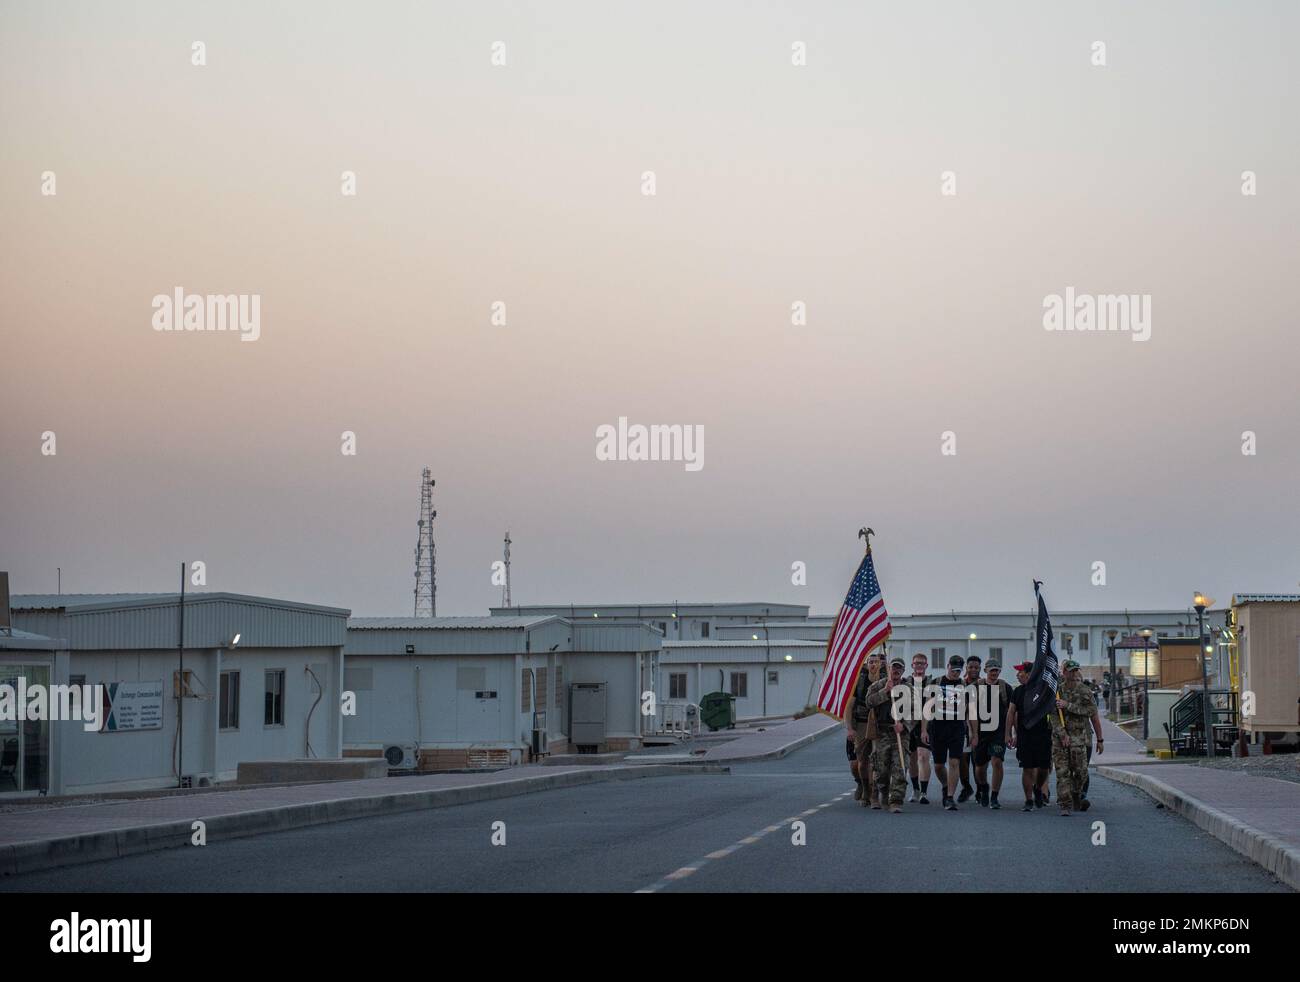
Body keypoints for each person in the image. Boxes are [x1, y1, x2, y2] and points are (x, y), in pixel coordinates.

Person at [921, 654, 978, 810]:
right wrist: (923, 730)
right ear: (948, 667)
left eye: (959, 671)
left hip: (957, 728)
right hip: (938, 728)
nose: (956, 673)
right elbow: (926, 708)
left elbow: (971, 711)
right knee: (939, 765)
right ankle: (946, 785)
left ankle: (950, 797)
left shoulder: (964, 686)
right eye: (953, 670)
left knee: (954, 762)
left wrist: (974, 733)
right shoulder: (936, 683)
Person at [865, 655, 910, 813]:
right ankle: (881, 792)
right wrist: (885, 691)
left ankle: (896, 800)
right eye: (894, 667)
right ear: (889, 669)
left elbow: (917, 712)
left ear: (903, 671)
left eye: (899, 668)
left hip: (900, 735)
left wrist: (904, 725)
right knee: (881, 768)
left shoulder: (909, 689)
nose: (896, 670)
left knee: (900, 767)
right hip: (882, 732)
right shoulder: (878, 686)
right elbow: (869, 702)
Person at [1050, 660, 1095, 816]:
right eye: (1070, 670)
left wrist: (1067, 705)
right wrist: (1062, 734)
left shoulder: (1085, 691)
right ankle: (1065, 804)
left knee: (1080, 772)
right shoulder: (1057, 692)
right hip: (1060, 739)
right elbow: (1053, 716)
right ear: (1064, 672)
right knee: (1062, 772)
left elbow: (1090, 711)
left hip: (1078, 738)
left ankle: (1076, 793)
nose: (1073, 673)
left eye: (1076, 670)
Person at [1006, 661, 1051, 811]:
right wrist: (1008, 734)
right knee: (1027, 768)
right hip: (1025, 735)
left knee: (1044, 768)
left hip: (1043, 734)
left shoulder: (1044, 690)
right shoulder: (1018, 691)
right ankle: (1028, 799)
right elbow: (1011, 712)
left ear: (1030, 673)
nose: (1018, 675)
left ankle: (1038, 788)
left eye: (1021, 672)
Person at [845, 652, 884, 808]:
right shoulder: (859, 682)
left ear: (880, 664)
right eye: (870, 662)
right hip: (861, 724)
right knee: (861, 762)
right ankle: (864, 786)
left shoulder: (885, 681)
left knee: (876, 760)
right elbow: (849, 707)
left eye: (876, 662)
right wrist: (849, 728)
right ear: (867, 665)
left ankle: (873, 794)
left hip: (879, 724)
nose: (873, 664)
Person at [973, 660, 1012, 808]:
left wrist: (1010, 733)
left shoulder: (1005, 688)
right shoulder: (976, 687)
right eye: (992, 670)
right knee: (980, 767)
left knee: (997, 761)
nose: (994, 673)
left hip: (998, 733)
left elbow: (1012, 712)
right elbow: (968, 712)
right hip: (981, 733)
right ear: (985, 671)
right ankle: (983, 787)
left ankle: (994, 796)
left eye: (997, 670)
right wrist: (971, 733)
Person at [906, 653, 933, 803]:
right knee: (912, 759)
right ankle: (915, 789)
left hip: (926, 725)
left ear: (926, 666)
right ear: (912, 665)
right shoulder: (906, 682)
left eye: (922, 663)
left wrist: (924, 730)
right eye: (917, 663)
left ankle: (924, 791)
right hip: (909, 725)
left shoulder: (931, 683)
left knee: (923, 756)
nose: (919, 666)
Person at [957, 655, 982, 802]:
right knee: (962, 758)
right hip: (964, 726)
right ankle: (966, 787)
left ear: (980, 668)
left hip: (982, 725)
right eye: (970, 667)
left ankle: (980, 789)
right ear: (966, 668)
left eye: (976, 667)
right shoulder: (961, 684)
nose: (973, 669)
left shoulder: (984, 684)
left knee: (977, 760)